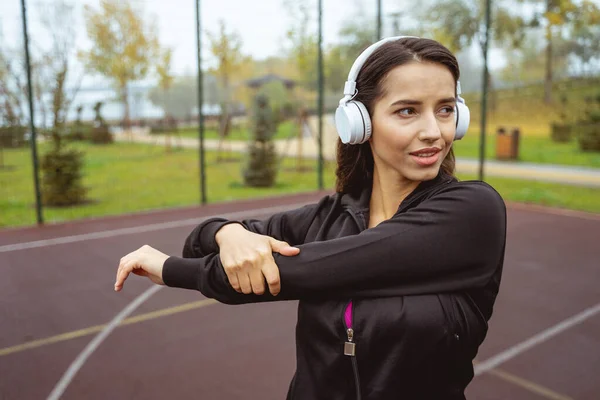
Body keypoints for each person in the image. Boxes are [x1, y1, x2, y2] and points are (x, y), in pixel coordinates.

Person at [115, 36, 507, 400]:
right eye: (407, 111)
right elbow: (201, 238)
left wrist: (170, 270)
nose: (433, 131)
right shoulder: (331, 215)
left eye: (445, 110)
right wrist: (229, 233)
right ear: (359, 122)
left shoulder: (472, 213)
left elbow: (293, 273)